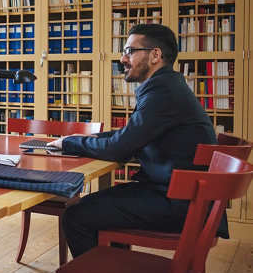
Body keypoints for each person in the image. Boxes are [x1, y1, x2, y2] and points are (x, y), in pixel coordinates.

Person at [46, 24, 218, 258]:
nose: (122, 58)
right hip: (179, 197)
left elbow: (119, 148)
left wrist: (69, 144)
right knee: (89, 206)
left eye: (129, 51)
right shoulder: (166, 86)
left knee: (76, 216)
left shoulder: (162, 92)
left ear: (155, 55)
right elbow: (132, 135)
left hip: (176, 204)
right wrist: (89, 138)